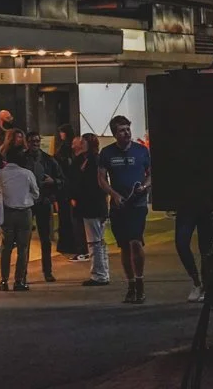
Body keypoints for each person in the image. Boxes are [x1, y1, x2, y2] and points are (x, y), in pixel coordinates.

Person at [97, 116, 153, 304]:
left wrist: (144, 187)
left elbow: (151, 174)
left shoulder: (141, 151)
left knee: (135, 242)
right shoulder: (107, 153)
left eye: (128, 129)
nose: (126, 133)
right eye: (122, 130)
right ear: (115, 133)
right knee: (124, 246)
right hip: (118, 206)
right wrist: (113, 194)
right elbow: (101, 179)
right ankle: (131, 285)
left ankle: (140, 284)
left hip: (137, 205)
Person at [0, 146, 40, 292]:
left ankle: (3, 280)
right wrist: (26, 198)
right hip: (24, 213)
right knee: (23, 248)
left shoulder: (0, 174)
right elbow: (36, 193)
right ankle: (19, 281)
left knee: (6, 248)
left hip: (8, 213)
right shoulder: (27, 174)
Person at [73, 132, 112, 287]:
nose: (80, 144)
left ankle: (99, 274)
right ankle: (102, 273)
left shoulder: (92, 161)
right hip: (95, 205)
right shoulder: (90, 160)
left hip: (92, 206)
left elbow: (92, 184)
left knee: (95, 241)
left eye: (83, 142)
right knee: (98, 241)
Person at [28, 133, 64, 283]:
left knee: (46, 239)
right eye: (32, 141)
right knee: (24, 239)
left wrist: (53, 181)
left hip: (43, 201)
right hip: (28, 203)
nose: (35, 143)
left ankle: (47, 271)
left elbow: (62, 179)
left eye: (37, 141)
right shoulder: (23, 159)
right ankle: (22, 273)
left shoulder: (49, 160)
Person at [55, 128, 85, 261]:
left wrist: (73, 196)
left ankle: (81, 249)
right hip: (69, 194)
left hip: (72, 195)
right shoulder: (76, 159)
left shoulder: (77, 159)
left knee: (76, 223)